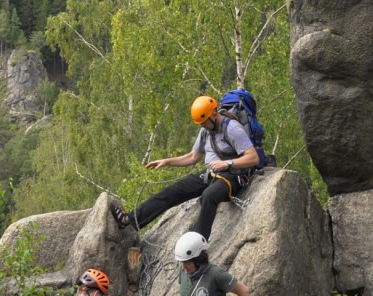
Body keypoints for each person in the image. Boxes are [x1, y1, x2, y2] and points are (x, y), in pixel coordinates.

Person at [109, 95, 260, 239]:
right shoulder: (206, 130)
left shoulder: (232, 128)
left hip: (234, 176)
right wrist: (167, 162)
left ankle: (198, 245)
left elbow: (253, 158)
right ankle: (130, 220)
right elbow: (193, 157)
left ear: (213, 114)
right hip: (212, 174)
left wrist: (227, 163)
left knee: (209, 196)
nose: (202, 126)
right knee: (172, 192)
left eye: (203, 122)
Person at [173, 231, 251, 296]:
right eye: (181, 262)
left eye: (188, 263)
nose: (183, 267)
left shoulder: (216, 274)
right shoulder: (183, 270)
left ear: (199, 259)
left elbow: (244, 291)